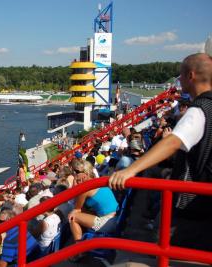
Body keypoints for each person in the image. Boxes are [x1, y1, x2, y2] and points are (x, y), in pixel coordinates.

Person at [109, 53, 212, 250]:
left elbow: (174, 141)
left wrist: (130, 170)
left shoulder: (199, 110)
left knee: (172, 253)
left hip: (193, 209)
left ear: (191, 75)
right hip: (205, 205)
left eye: (181, 75)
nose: (179, 80)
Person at [69, 173, 118, 241]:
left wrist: (74, 186)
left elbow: (76, 209)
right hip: (117, 215)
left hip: (109, 222)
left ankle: (79, 247)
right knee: (85, 212)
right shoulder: (99, 181)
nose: (80, 180)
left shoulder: (85, 189)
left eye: (78, 180)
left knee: (72, 217)